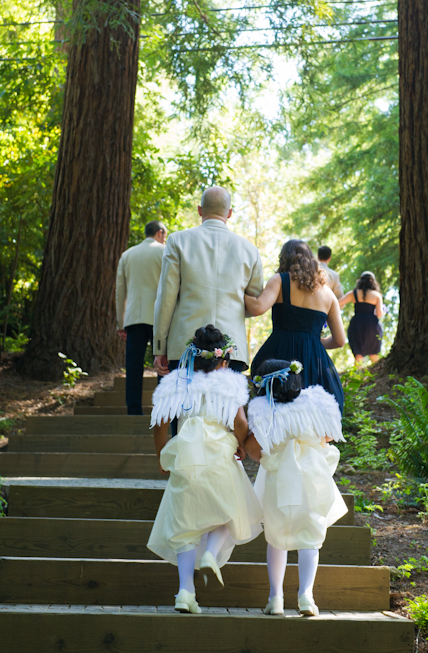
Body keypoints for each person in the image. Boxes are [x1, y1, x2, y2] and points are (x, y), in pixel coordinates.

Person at [147, 325, 263, 614]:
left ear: (192, 358)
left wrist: (162, 455)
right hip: (218, 451)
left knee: (184, 523)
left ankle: (185, 591)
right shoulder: (231, 383)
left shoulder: (176, 382)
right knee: (230, 508)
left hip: (186, 450)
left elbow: (161, 422)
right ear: (224, 362)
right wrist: (240, 444)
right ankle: (211, 553)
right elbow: (239, 424)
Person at [245, 358, 346, 617]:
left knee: (276, 537)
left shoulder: (265, 412)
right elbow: (330, 435)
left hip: (279, 480)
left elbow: (253, 450)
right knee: (310, 537)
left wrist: (273, 452)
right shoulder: (315, 405)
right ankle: (305, 595)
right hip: (311, 477)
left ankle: (275, 597)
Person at [153, 186, 263, 376]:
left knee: (183, 405)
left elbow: (166, 299)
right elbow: (255, 301)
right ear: (229, 213)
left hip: (185, 346)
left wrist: (160, 347)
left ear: (199, 210)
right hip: (231, 349)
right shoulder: (249, 250)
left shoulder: (177, 241)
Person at [246, 239, 345, 414]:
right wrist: (314, 341)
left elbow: (257, 307)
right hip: (314, 359)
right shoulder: (328, 294)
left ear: (284, 259)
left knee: (277, 409)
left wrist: (237, 291)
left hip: (280, 352)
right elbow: (339, 340)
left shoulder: (280, 281)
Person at [116, 221, 167, 415]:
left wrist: (121, 323)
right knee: (162, 363)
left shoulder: (127, 255)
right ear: (160, 233)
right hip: (159, 317)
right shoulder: (165, 252)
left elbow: (120, 292)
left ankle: (134, 409)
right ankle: (162, 408)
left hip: (134, 317)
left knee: (133, 364)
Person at [339, 270, 384, 366]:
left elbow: (338, 303)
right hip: (372, 326)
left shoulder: (353, 293)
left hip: (357, 325)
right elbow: (379, 314)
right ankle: (374, 378)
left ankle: (357, 378)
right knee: (374, 355)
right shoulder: (377, 295)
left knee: (358, 356)